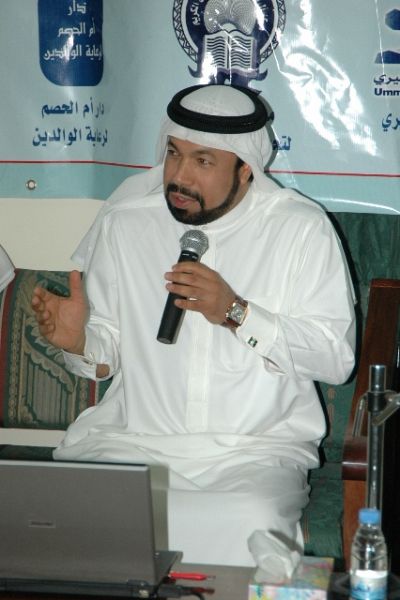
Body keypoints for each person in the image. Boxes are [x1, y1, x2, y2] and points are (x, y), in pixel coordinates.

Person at [32, 84, 356, 568]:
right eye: (174, 154)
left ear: (245, 169)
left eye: (203, 161)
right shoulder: (127, 223)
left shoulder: (300, 229)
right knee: (66, 513)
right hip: (132, 441)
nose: (180, 177)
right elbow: (106, 352)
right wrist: (78, 342)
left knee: (250, 521)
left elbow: (336, 359)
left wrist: (236, 312)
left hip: (254, 454)